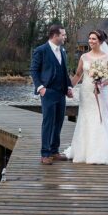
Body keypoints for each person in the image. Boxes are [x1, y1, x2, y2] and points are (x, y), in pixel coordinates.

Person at [64, 29, 108, 164]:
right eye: (90, 38)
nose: (91, 41)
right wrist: (69, 87)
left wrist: (102, 84)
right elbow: (78, 75)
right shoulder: (84, 57)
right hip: (86, 92)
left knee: (101, 118)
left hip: (101, 92)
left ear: (100, 41)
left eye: (94, 39)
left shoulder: (106, 57)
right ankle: (84, 151)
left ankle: (101, 152)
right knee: (86, 118)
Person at [29, 24, 74, 165]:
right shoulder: (41, 50)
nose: (65, 37)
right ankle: (45, 153)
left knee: (59, 122)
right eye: (63, 35)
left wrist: (69, 87)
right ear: (55, 36)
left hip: (61, 93)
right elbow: (34, 70)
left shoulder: (63, 51)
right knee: (48, 123)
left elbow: (64, 71)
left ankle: (54, 151)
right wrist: (41, 88)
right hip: (48, 92)